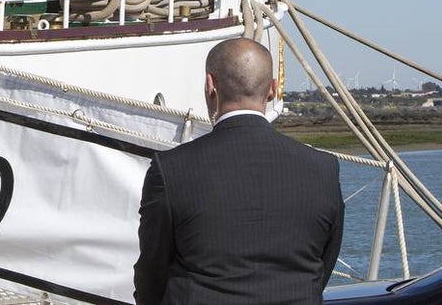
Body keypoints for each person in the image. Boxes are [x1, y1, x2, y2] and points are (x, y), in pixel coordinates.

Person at [134, 38, 343, 304]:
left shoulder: (171, 169)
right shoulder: (323, 168)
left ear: (210, 86)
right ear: (273, 90)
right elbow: (322, 264)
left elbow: (151, 273)